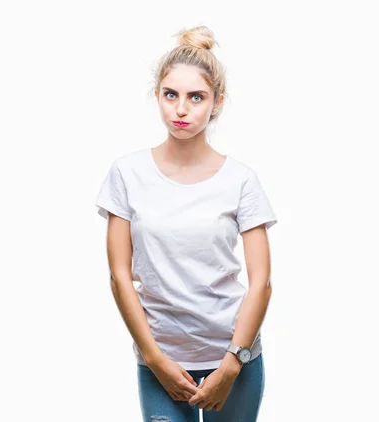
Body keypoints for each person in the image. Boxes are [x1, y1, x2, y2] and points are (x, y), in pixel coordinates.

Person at [95, 25, 277, 422]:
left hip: (234, 361)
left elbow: (260, 280)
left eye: (196, 97)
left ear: (216, 103)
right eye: (170, 95)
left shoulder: (241, 179)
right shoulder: (127, 174)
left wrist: (232, 364)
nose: (181, 109)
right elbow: (119, 276)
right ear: (157, 96)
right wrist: (155, 360)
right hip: (159, 360)